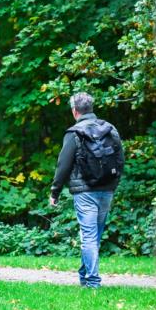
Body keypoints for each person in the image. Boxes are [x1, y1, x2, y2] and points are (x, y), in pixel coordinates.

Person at [49, 92, 124, 288]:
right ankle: (84, 275)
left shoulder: (74, 133)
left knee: (89, 236)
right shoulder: (110, 129)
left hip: (85, 192)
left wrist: (54, 191)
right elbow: (120, 159)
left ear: (75, 111)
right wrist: (113, 184)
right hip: (107, 190)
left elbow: (63, 165)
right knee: (95, 235)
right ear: (91, 108)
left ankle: (92, 281)